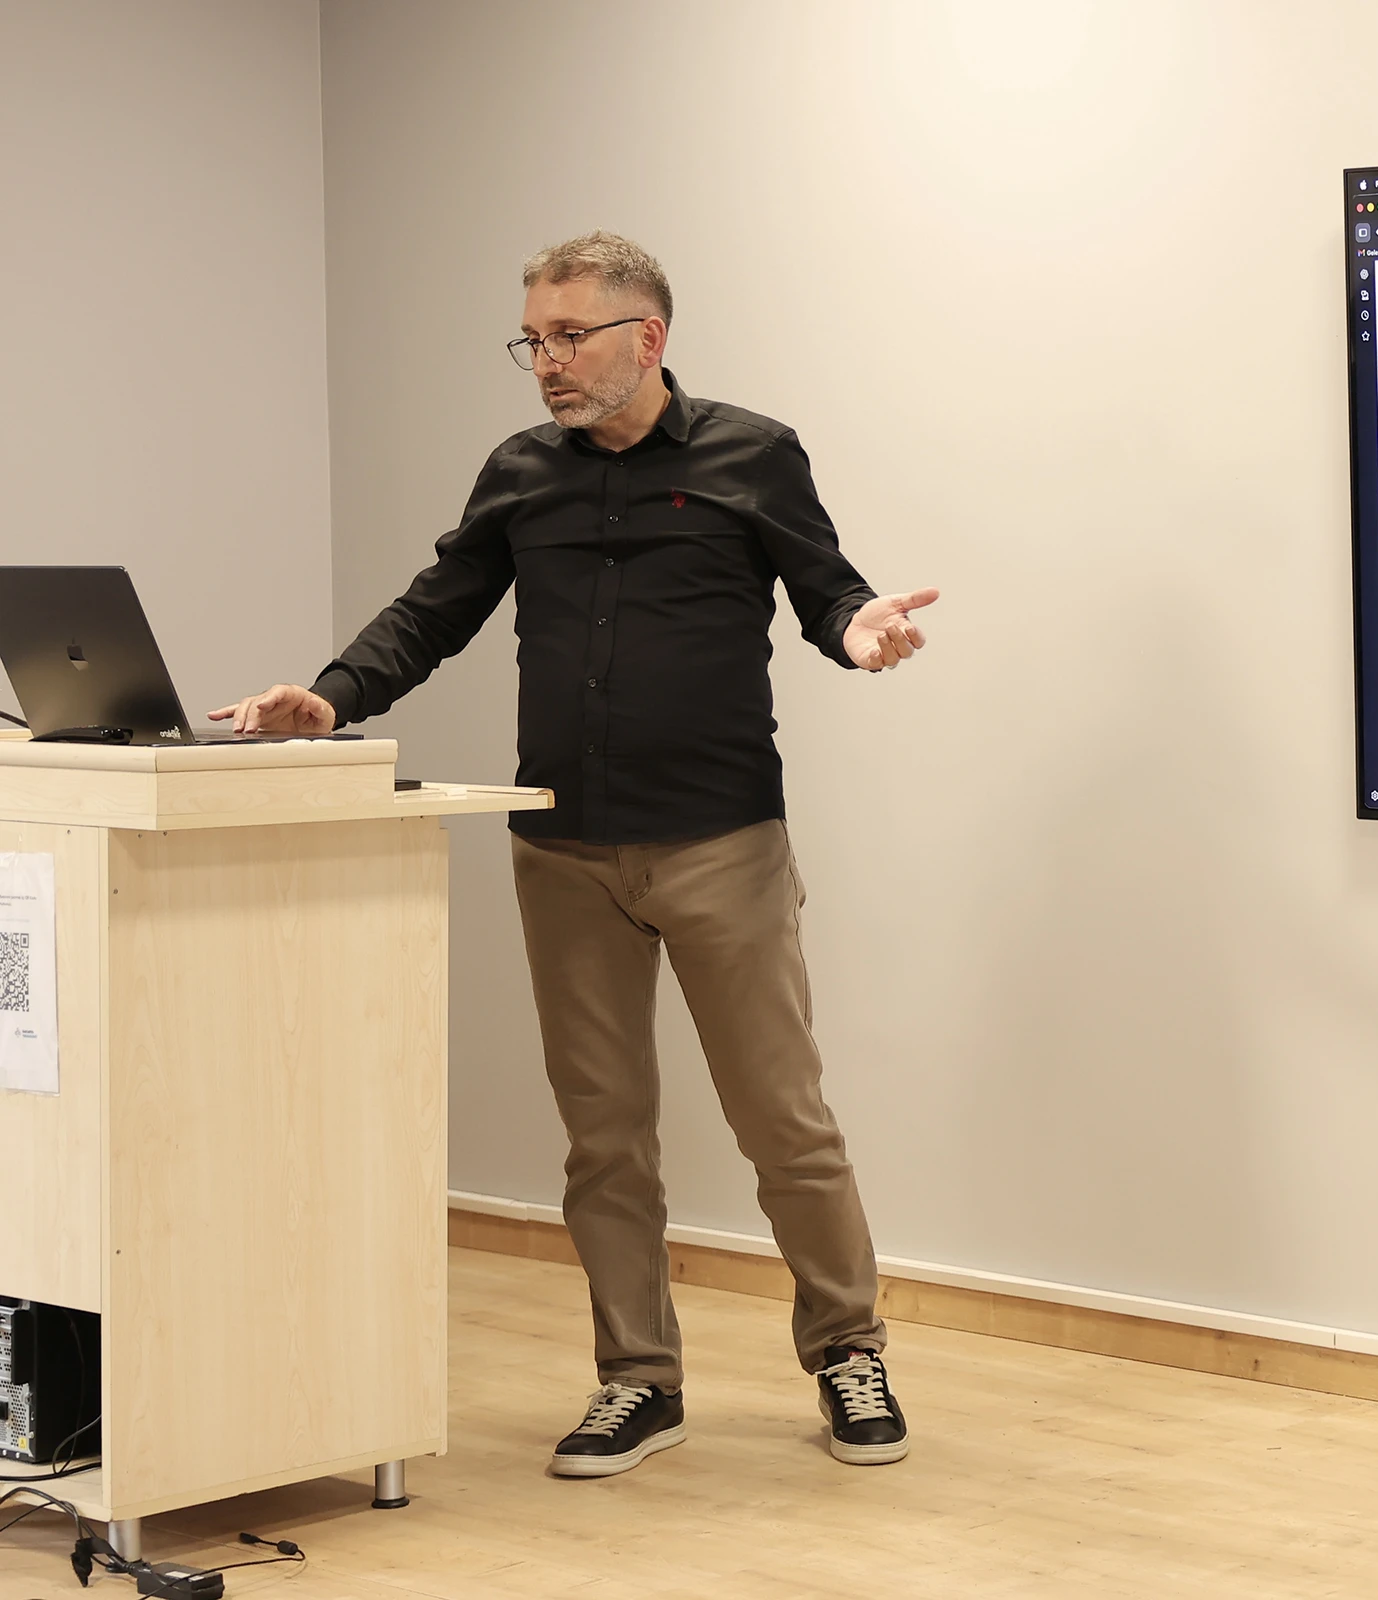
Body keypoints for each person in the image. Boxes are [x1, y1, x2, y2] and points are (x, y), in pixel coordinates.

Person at [214, 231, 936, 1476]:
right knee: (604, 1137)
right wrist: (331, 697)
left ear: (645, 338)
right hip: (563, 851)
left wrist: (856, 632)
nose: (545, 361)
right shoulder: (519, 474)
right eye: (532, 340)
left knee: (783, 1121)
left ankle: (846, 1349)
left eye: (568, 337)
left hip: (720, 843)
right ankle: (637, 1379)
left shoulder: (751, 453)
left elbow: (827, 590)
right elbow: (433, 610)